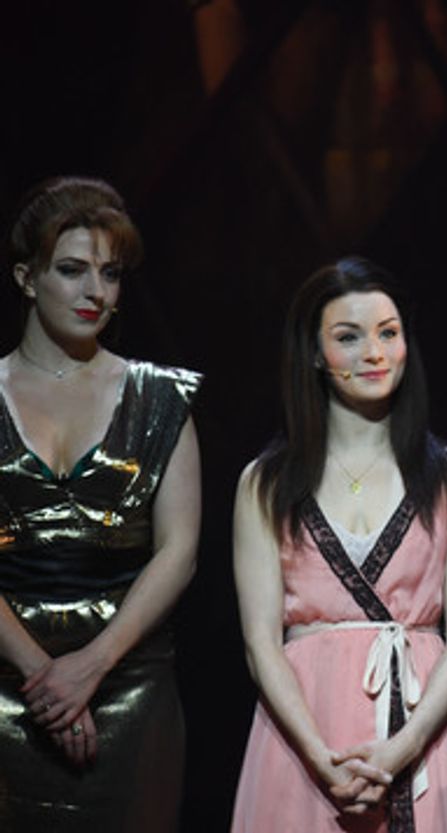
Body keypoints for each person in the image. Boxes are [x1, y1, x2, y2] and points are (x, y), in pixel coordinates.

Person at [230, 257, 447, 832]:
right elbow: (260, 642)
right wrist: (322, 759)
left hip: (423, 739)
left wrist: (401, 749)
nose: (373, 352)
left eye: (388, 333)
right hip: (303, 742)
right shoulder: (265, 483)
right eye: (348, 337)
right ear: (316, 354)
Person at [0, 177, 201, 831]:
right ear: (26, 277)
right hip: (8, 691)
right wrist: (45, 678)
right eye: (72, 270)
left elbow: (179, 551)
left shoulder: (161, 398)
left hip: (129, 691)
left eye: (110, 274)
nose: (96, 292)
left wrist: (92, 664)